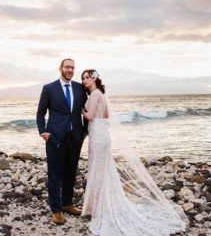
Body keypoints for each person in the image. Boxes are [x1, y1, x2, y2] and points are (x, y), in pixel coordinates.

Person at [80, 69, 187, 236]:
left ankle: (99, 207)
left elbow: (91, 116)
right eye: (83, 78)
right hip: (103, 134)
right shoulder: (101, 93)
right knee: (103, 170)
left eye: (87, 77)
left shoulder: (94, 94)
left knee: (97, 170)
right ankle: (99, 205)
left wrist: (81, 110)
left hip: (97, 136)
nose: (85, 80)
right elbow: (106, 115)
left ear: (94, 79)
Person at [36, 58, 88, 225]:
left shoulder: (80, 88)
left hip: (75, 137)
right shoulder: (49, 88)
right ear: (60, 68)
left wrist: (85, 131)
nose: (69, 70)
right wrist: (43, 132)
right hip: (55, 137)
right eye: (67, 67)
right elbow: (40, 113)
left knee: (71, 172)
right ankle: (56, 210)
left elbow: (85, 110)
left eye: (72, 67)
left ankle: (67, 203)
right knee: (55, 174)